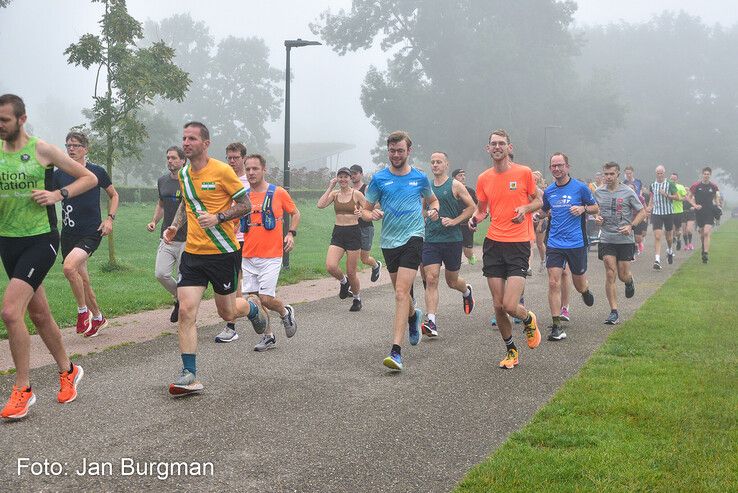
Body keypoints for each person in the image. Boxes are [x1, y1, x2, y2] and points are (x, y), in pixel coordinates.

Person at [0, 94, 97, 419]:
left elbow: (89, 178)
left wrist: (58, 194)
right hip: (8, 242)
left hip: (40, 240)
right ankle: (68, 371)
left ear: (21, 120)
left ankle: (23, 390)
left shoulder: (41, 150)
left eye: (5, 120)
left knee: (12, 312)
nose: (0, 126)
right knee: (39, 315)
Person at [163, 122, 251, 396]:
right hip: (193, 254)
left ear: (205, 143)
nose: (186, 143)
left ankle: (252, 309)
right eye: (184, 138)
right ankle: (189, 373)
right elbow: (186, 203)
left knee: (227, 312)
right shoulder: (185, 174)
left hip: (222, 252)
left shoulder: (222, 171)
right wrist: (176, 226)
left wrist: (219, 217)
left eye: (192, 139)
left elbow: (246, 205)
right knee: (187, 311)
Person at [361, 131, 439, 371]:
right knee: (401, 293)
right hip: (389, 242)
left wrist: (434, 210)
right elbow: (364, 210)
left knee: (400, 293)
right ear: (389, 151)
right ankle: (413, 316)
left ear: (409, 151)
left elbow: (433, 201)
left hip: (414, 237)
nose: (396, 155)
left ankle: (396, 351)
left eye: (400, 151)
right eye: (392, 151)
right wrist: (370, 214)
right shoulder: (379, 179)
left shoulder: (420, 178)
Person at [468, 129, 542, 369]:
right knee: (498, 305)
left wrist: (525, 209)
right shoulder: (483, 178)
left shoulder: (524, 173)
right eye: (493, 144)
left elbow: (538, 201)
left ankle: (528, 317)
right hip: (493, 244)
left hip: (519, 243)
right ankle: (511, 350)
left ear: (509, 147)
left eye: (502, 143)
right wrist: (475, 219)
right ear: (487, 149)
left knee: (511, 306)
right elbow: (481, 209)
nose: (497, 147)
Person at [52, 131, 119, 338]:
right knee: (82, 279)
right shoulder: (59, 174)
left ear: (85, 149)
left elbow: (114, 194)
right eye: (68, 145)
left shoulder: (96, 171)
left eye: (75, 145)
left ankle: (83, 313)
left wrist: (109, 219)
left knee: (69, 267)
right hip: (69, 233)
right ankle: (98, 317)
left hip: (91, 232)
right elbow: (51, 197)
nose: (71, 149)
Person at [232, 154, 300, 352]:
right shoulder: (242, 197)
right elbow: (234, 222)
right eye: (248, 169)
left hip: (271, 255)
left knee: (266, 299)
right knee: (253, 299)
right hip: (248, 255)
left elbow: (295, 213)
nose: (251, 173)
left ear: (264, 170)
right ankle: (268, 336)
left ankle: (285, 311)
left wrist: (290, 233)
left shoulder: (278, 193)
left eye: (255, 169)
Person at [540, 152, 598, 341]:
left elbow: (595, 207)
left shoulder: (580, 188)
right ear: (550, 169)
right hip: (555, 242)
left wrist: (583, 209)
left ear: (567, 167)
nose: (557, 169)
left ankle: (585, 291)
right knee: (553, 282)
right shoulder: (549, 191)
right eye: (553, 166)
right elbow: (545, 209)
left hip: (576, 242)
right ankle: (556, 326)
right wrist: (537, 216)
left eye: (560, 165)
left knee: (579, 283)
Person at [421, 152, 475, 337]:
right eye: (432, 162)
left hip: (452, 239)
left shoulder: (455, 185)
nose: (435, 165)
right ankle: (431, 322)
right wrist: (428, 216)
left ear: (446, 164)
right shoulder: (426, 186)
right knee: (431, 278)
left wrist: (454, 221)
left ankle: (466, 291)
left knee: (451, 281)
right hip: (431, 239)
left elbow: (471, 207)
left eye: (439, 162)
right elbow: (422, 209)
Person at [594, 162, 646, 325]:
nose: (608, 177)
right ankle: (614, 311)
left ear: (618, 174)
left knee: (623, 275)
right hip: (607, 237)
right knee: (610, 273)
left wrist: (631, 226)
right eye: (606, 174)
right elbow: (595, 210)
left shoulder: (628, 192)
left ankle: (629, 281)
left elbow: (642, 211)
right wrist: (597, 218)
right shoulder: (598, 192)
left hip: (624, 239)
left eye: (611, 174)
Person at [317, 167, 368, 311]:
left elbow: (367, 211)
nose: (343, 179)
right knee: (330, 266)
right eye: (340, 177)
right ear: (337, 179)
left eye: (346, 177)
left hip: (353, 233)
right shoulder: (334, 194)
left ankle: (357, 298)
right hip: (338, 233)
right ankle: (343, 281)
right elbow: (320, 205)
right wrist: (330, 187)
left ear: (350, 178)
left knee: (352, 272)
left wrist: (360, 213)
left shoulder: (357, 194)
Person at [214, 142, 249, 343]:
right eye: (229, 157)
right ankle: (231, 325)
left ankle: (258, 312)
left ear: (243, 158)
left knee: (251, 284)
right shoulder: (223, 179)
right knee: (234, 282)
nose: (232, 161)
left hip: (249, 238)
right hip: (228, 239)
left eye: (236, 157)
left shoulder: (250, 180)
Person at [147, 146, 187, 323]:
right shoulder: (162, 181)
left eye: (173, 158)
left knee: (183, 276)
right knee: (160, 273)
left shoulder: (188, 181)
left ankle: (186, 313)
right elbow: (161, 203)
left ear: (183, 160)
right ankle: (181, 297)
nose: (170, 161)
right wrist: (154, 221)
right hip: (167, 237)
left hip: (187, 239)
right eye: (168, 158)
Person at [349, 164, 382, 281]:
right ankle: (351, 283)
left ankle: (376, 265)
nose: (352, 176)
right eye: (351, 173)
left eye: (355, 173)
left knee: (364, 258)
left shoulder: (366, 188)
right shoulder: (349, 191)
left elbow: (379, 203)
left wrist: (365, 211)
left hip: (366, 227)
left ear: (361, 174)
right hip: (351, 227)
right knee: (351, 257)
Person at [647, 165, 678, 270]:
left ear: (664, 173)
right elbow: (652, 197)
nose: (659, 175)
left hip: (668, 212)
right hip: (656, 213)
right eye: (658, 173)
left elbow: (677, 197)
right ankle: (657, 260)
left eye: (661, 173)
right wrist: (649, 207)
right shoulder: (652, 185)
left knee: (669, 237)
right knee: (657, 236)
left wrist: (666, 195)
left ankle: (669, 250)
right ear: (656, 173)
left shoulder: (670, 184)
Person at [688, 167, 719, 263]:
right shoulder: (696, 186)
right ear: (702, 174)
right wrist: (695, 205)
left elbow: (716, 197)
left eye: (708, 174)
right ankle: (703, 247)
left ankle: (705, 253)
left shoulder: (713, 186)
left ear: (710, 175)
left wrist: (717, 206)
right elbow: (688, 197)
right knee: (702, 233)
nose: (706, 175)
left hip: (710, 212)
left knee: (706, 232)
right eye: (705, 174)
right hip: (699, 212)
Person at [451, 168, 478, 265]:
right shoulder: (450, 190)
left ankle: (471, 257)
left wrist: (474, 221)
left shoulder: (470, 191)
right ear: (454, 178)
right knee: (455, 246)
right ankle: (455, 263)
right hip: (454, 223)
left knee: (467, 251)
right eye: (460, 175)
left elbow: (477, 207)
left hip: (467, 224)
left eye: (463, 175)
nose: (463, 177)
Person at [624, 166, 647, 254]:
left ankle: (639, 243)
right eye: (627, 173)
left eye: (630, 173)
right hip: (628, 209)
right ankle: (633, 248)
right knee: (630, 232)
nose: (628, 175)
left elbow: (641, 194)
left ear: (633, 173)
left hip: (637, 208)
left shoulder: (638, 182)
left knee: (639, 236)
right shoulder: (624, 183)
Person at [669, 172, 687, 251]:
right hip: (669, 211)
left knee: (678, 231)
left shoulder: (680, 187)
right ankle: (673, 238)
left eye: (674, 179)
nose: (673, 180)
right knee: (671, 228)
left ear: (677, 179)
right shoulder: (667, 187)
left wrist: (678, 199)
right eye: (671, 179)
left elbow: (685, 198)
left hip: (679, 211)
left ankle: (678, 240)